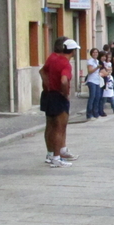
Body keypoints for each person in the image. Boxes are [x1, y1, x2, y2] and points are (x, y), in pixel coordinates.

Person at [39, 38, 79, 168]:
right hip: (58, 96)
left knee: (50, 126)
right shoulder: (65, 64)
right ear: (71, 51)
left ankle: (50, 154)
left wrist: (46, 85)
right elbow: (63, 80)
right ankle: (57, 157)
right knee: (59, 127)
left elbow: (42, 71)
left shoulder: (52, 58)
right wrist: (65, 94)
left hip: (48, 94)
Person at [85, 48, 103, 119]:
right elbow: (90, 71)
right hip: (91, 81)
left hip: (97, 80)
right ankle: (89, 114)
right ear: (91, 53)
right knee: (92, 97)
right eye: (94, 52)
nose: (95, 54)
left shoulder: (97, 61)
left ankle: (95, 113)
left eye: (96, 52)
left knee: (97, 97)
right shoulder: (90, 61)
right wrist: (97, 68)